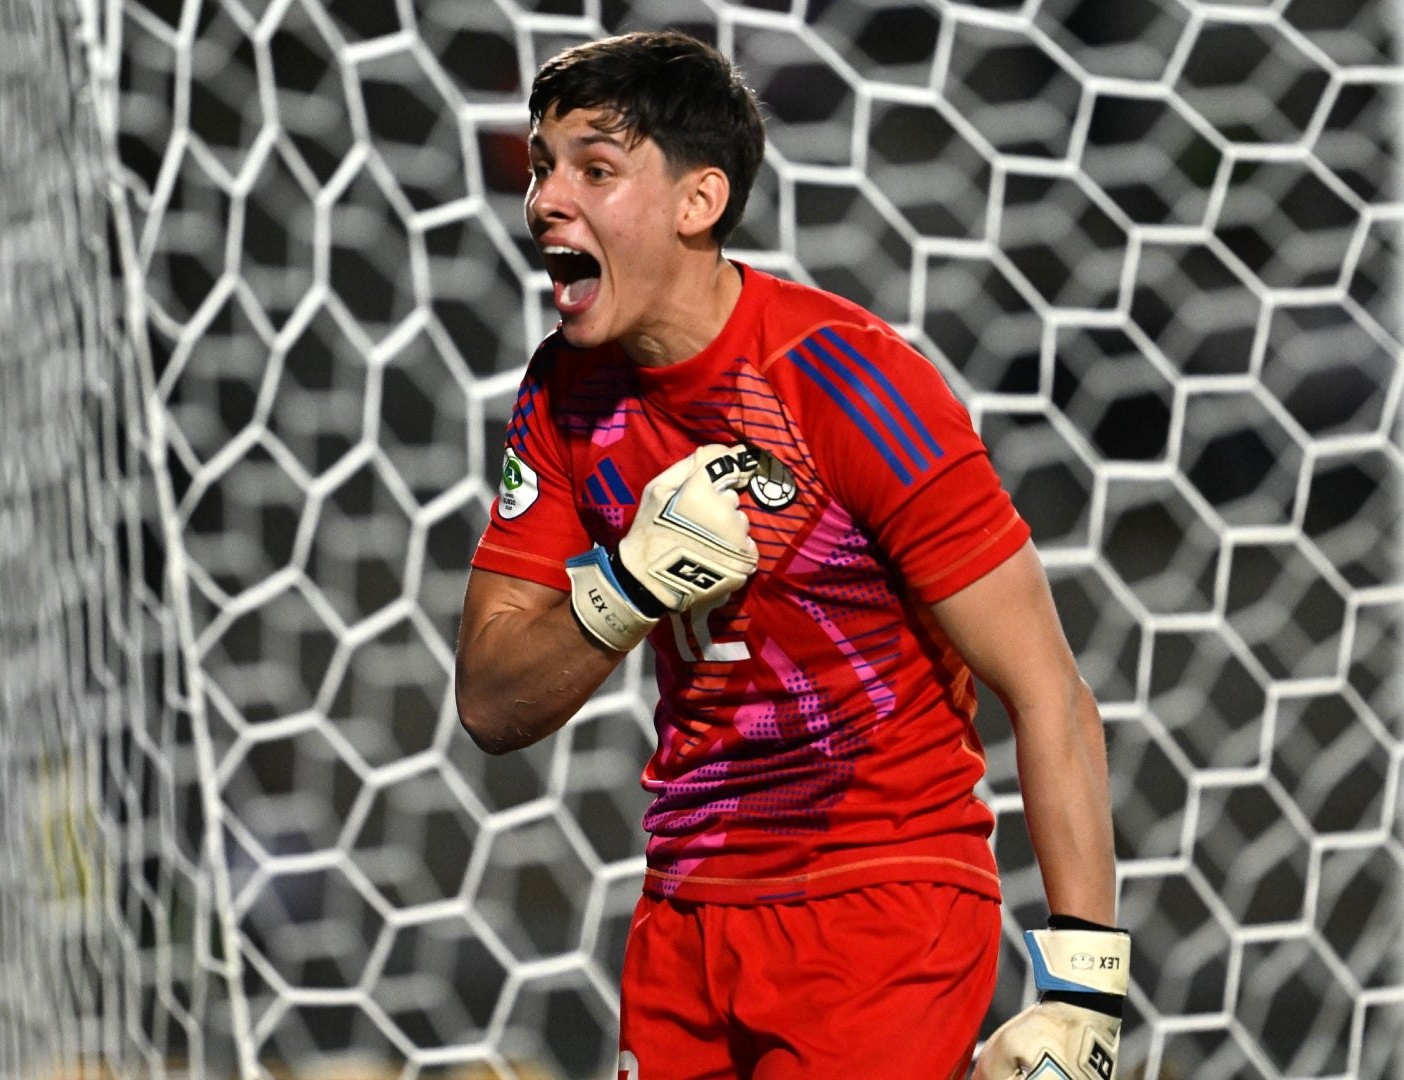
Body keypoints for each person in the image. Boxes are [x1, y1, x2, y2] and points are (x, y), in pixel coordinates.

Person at [452, 29, 1130, 1080]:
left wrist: (1085, 994)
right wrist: (624, 590)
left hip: (879, 898)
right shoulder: (561, 394)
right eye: (543, 166)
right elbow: (491, 705)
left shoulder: (849, 381)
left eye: (593, 168)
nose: (544, 198)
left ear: (698, 201)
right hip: (684, 910)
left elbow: (1050, 693)